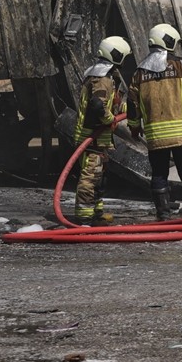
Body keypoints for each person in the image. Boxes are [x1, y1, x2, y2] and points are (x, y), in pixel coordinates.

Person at [127, 23, 182, 220]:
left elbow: (132, 105)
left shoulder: (139, 72)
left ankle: (163, 217)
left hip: (156, 138)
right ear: (169, 41)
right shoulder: (181, 66)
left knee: (159, 175)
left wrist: (134, 127)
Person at [73, 36, 130, 226]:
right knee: (90, 178)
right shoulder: (101, 78)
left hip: (100, 139)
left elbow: (111, 104)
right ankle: (84, 218)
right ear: (116, 55)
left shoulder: (106, 77)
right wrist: (109, 119)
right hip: (91, 138)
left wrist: (127, 110)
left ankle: (96, 213)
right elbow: (98, 105)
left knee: (100, 178)